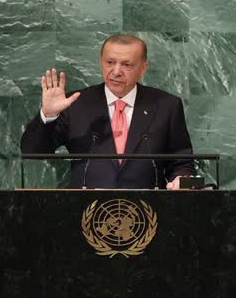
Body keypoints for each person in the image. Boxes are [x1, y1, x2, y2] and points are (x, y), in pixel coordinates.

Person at [21, 34, 195, 189]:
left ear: (143, 68)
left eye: (127, 64)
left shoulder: (166, 106)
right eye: (110, 63)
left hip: (147, 215)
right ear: (100, 62)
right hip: (86, 213)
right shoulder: (76, 104)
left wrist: (182, 180)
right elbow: (32, 152)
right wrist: (48, 115)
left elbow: (182, 163)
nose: (116, 72)